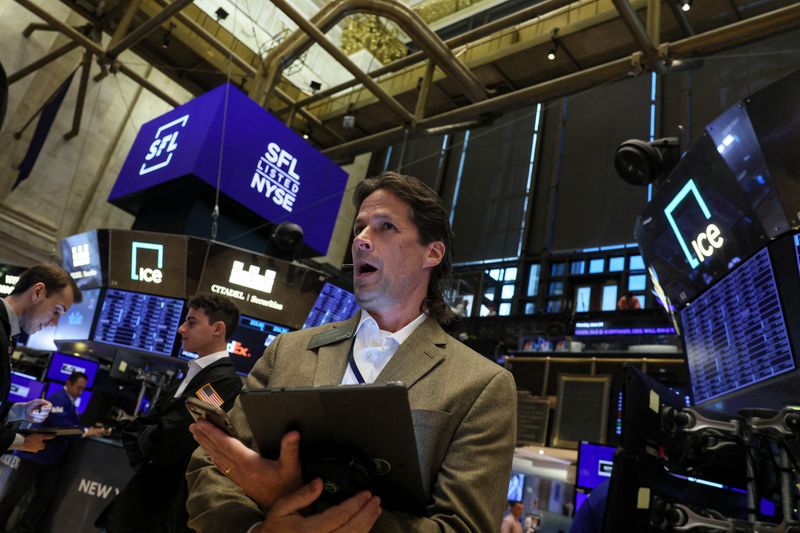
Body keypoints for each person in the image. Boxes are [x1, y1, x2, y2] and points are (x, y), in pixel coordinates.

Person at [185, 171, 518, 532]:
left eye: (385, 226)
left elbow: (463, 527)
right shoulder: (289, 350)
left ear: (432, 252)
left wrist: (297, 501)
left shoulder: (482, 385)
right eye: (359, 227)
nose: (360, 239)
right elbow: (211, 464)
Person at [95, 293, 243, 533]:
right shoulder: (188, 375)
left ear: (218, 329)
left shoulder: (224, 382)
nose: (181, 328)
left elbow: (170, 439)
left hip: (164, 509)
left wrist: (146, 436)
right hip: (139, 502)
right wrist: (146, 435)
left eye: (192, 322)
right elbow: (146, 426)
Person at [0, 371, 103, 532]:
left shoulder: (69, 401)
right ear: (69, 383)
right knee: (15, 494)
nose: (80, 392)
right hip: (35, 454)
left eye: (83, 389)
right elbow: (62, 425)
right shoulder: (58, 399)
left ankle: (25, 529)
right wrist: (85, 431)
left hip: (50, 458)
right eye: (78, 387)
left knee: (45, 496)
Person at [1, 264, 83, 452]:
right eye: (57, 311)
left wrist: (21, 411)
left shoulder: (8, 335)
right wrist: (23, 442)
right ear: (37, 292)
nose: (54, 323)